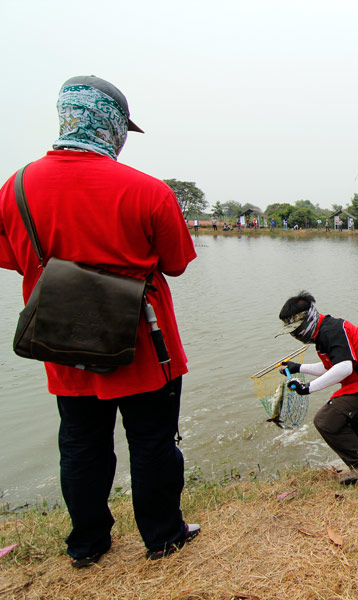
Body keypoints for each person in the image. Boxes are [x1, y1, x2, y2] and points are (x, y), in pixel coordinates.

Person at [0, 76, 198, 567]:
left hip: (64, 343)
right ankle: (163, 536)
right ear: (112, 124)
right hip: (143, 345)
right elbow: (176, 262)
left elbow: (12, 259)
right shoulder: (148, 190)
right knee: (152, 442)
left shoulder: (16, 187)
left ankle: (88, 544)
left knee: (81, 445)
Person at [278, 291, 358, 485]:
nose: (295, 335)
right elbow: (333, 366)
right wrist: (299, 368)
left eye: (296, 329)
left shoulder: (331, 331)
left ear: (307, 321)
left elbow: (344, 368)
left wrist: (307, 388)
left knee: (326, 419)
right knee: (352, 422)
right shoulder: (325, 331)